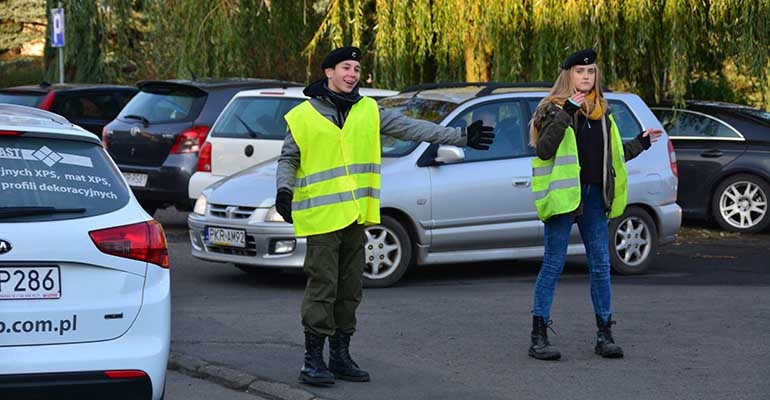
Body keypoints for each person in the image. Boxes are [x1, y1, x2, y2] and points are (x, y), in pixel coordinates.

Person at [274, 46, 494, 385]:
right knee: (323, 287)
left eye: (357, 70)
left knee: (350, 288)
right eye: (346, 68)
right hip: (321, 218)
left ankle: (341, 356)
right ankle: (312, 360)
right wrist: (284, 191)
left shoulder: (369, 111)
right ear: (328, 72)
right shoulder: (302, 116)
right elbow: (289, 159)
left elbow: (413, 128)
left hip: (356, 216)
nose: (352, 75)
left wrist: (461, 137)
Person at [527, 48, 662, 361]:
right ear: (568, 75)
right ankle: (538, 337)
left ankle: (605, 334)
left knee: (601, 266)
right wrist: (568, 111)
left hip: (594, 197)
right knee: (553, 264)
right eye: (579, 72)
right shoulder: (553, 108)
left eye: (590, 73)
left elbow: (611, 157)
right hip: (564, 199)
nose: (585, 77)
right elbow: (544, 150)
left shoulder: (604, 112)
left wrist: (640, 143)